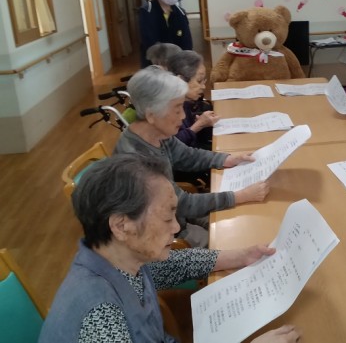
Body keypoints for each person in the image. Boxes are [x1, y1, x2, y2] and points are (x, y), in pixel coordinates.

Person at [39, 154, 301, 343]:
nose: (176, 227)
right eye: (167, 218)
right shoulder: (102, 321)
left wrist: (242, 255)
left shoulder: (119, 258)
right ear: (121, 225)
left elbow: (173, 265)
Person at [114, 66, 269, 247]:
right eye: (177, 109)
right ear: (151, 115)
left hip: (180, 217)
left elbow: (188, 155)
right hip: (165, 235)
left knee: (244, 222)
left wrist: (226, 159)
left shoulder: (156, 132)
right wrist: (240, 196)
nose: (183, 116)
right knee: (235, 241)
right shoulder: (137, 161)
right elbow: (182, 204)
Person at [139, 0, 192, 67]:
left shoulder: (180, 13)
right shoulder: (147, 10)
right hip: (154, 66)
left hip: (177, 66)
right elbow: (149, 42)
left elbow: (187, 43)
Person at [167, 50, 218, 150]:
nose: (203, 87)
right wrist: (199, 125)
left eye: (204, 81)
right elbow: (171, 147)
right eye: (199, 81)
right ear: (181, 80)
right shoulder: (167, 107)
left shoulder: (186, 101)